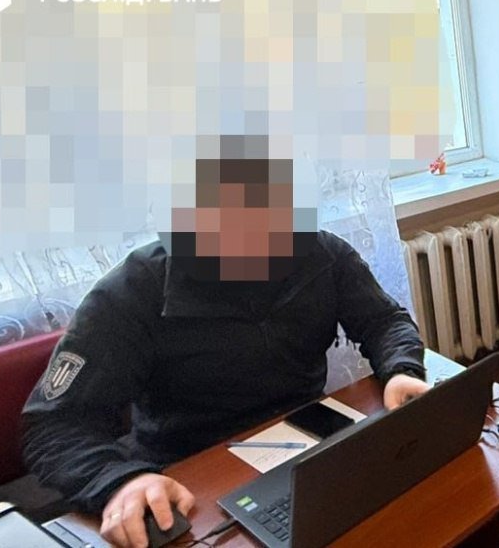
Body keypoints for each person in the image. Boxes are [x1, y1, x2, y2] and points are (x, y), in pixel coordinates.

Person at [21, 138, 429, 548]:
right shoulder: (133, 289)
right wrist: (118, 481)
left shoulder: (320, 252)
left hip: (306, 440)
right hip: (189, 470)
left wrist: (400, 369)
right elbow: (55, 424)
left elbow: (383, 321)